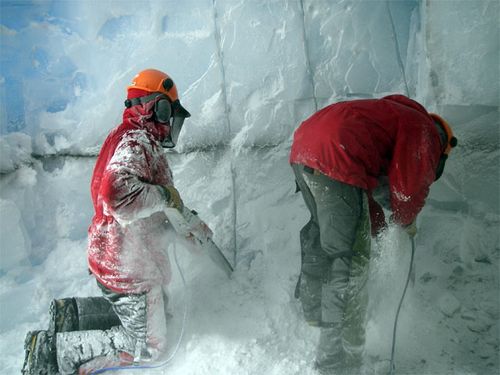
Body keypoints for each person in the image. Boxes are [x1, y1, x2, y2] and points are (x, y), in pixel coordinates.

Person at [22, 69, 191, 375]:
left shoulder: (126, 135)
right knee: (149, 346)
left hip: (117, 254)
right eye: (168, 112)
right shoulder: (138, 142)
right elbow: (117, 194)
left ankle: (71, 316)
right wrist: (166, 196)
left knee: (160, 312)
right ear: (156, 106)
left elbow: (142, 200)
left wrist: (180, 221)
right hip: (128, 264)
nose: (169, 124)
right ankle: (51, 352)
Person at [289, 94, 457, 374]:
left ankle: (314, 311)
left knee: (322, 235)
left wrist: (379, 228)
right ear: (442, 151)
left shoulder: (393, 116)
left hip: (305, 148)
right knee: (349, 264)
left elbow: (373, 187)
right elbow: (406, 188)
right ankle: (337, 361)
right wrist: (407, 219)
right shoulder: (426, 133)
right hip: (336, 155)